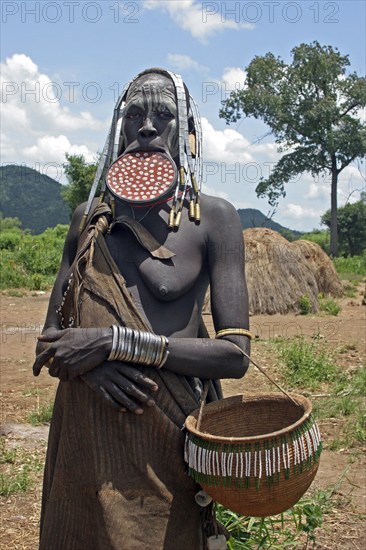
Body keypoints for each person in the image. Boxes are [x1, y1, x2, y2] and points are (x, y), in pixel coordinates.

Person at [33, 68, 250, 550]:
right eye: (135, 114)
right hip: (86, 437)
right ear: (120, 129)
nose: (148, 126)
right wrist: (93, 370)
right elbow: (48, 341)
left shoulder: (213, 219)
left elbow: (235, 355)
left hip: (165, 441)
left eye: (164, 116)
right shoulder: (89, 221)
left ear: (187, 134)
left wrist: (116, 343)